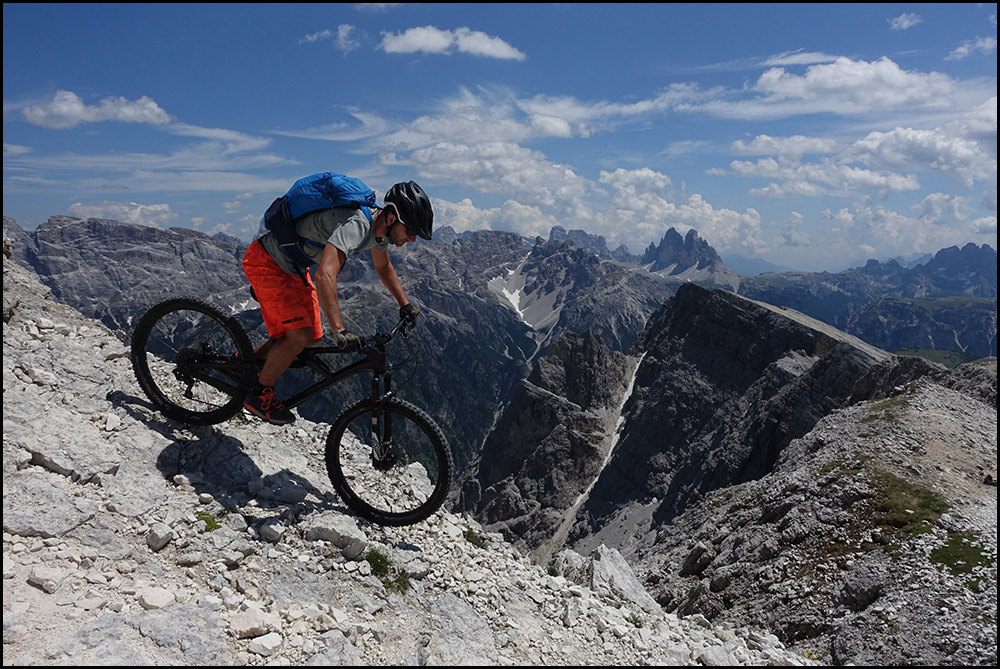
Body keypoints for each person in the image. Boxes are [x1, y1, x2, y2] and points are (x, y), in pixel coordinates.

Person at [241, 179, 433, 425]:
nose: (413, 240)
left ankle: (243, 362)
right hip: (267, 262)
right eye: (411, 232)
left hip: (292, 269)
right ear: (392, 218)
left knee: (312, 338)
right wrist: (339, 330)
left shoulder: (380, 233)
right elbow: (325, 274)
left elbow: (383, 267)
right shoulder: (357, 225)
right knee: (298, 335)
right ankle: (258, 394)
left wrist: (404, 304)